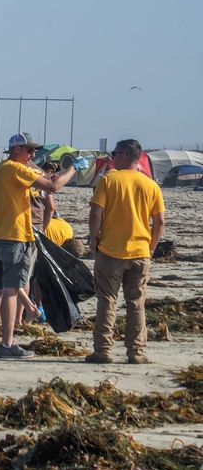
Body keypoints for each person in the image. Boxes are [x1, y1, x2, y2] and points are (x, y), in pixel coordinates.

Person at [0, 133, 86, 359]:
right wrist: (73, 169)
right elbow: (52, 186)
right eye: (30, 151)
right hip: (17, 237)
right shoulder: (16, 169)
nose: (33, 155)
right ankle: (8, 344)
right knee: (11, 291)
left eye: (34, 152)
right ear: (17, 149)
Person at [86, 139, 165, 365]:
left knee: (107, 301)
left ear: (123, 156)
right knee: (136, 303)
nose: (112, 158)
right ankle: (136, 351)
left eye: (114, 154)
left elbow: (95, 213)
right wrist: (151, 247)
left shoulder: (109, 180)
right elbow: (159, 221)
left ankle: (103, 350)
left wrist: (94, 240)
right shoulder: (150, 185)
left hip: (111, 251)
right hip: (140, 252)